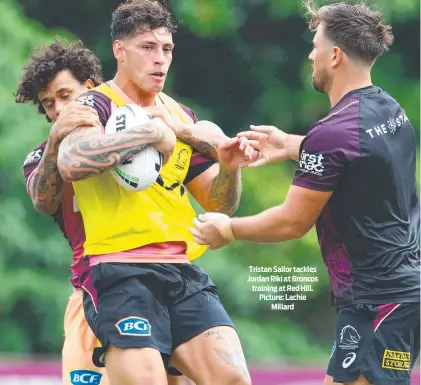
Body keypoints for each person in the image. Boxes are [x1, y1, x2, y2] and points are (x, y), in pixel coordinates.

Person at [191, 2, 420, 385]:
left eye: (315, 44)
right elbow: (358, 160)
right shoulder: (391, 111)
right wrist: (291, 144)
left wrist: (227, 229)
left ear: (335, 55)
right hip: (398, 295)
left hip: (376, 302)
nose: (311, 54)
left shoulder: (332, 133)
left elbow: (292, 221)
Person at [55, 1, 254, 385]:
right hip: (118, 272)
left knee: (233, 380)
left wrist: (230, 166)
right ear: (119, 50)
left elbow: (219, 202)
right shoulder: (94, 103)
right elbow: (71, 162)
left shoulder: (182, 115)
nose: (159, 59)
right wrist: (150, 132)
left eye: (167, 50)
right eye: (147, 47)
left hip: (183, 273)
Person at [16, 40, 197, 385]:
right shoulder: (43, 157)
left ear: (90, 89)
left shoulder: (143, 137)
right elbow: (43, 202)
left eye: (65, 95)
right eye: (48, 104)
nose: (57, 109)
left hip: (159, 284)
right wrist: (56, 142)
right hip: (90, 291)